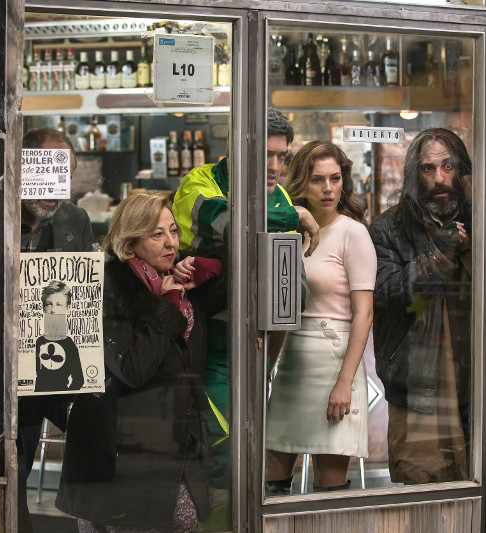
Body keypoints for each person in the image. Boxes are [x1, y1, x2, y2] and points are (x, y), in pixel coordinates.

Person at [171, 108, 318, 527]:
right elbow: (228, 221)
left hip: (255, 347)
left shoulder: (280, 195)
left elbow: (287, 274)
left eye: (281, 157)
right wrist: (296, 217)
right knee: (222, 450)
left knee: (248, 455)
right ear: (239, 146)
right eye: (266, 155)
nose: (275, 166)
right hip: (205, 344)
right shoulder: (199, 183)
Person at [55, 193, 223, 532]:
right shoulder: (109, 289)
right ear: (131, 243)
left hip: (172, 449)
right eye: (156, 234)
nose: (171, 242)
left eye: (173, 231)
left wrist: (212, 268)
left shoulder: (177, 282)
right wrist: (167, 307)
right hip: (118, 456)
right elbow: (133, 369)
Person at [265, 141, 376, 495]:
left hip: (334, 363)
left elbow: (365, 314)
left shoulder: (353, 233)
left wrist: (345, 383)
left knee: (330, 487)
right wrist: (267, 367)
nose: (328, 189)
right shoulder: (289, 230)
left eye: (335, 178)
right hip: (293, 363)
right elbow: (284, 308)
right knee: (270, 484)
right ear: (302, 182)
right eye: (317, 180)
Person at [368, 128, 473, 484]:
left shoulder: (485, 218)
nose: (440, 178)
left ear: (463, 171)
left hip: (481, 385)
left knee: (482, 496)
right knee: (422, 495)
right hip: (418, 388)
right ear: (414, 175)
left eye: (448, 166)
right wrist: (438, 252)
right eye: (429, 169)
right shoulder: (387, 228)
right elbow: (384, 295)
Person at [18, 128, 93, 533]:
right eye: (45, 171)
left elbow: (83, 297)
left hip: (54, 368)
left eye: (63, 174)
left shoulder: (74, 218)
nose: (54, 186)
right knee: (9, 474)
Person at [34, 281, 84, 393]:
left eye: (58, 304)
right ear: (43, 308)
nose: (53, 310)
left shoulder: (69, 344)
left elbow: (79, 380)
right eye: (48, 304)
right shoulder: (39, 341)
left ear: (68, 308)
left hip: (60, 400)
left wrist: (66, 398)